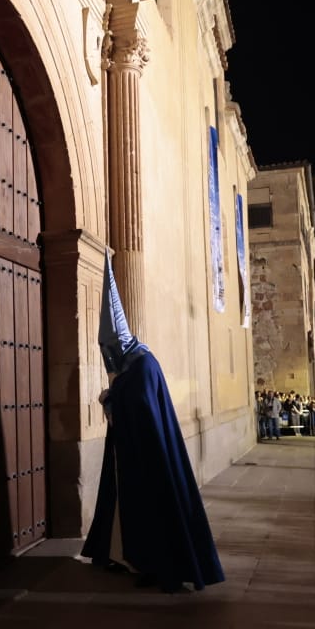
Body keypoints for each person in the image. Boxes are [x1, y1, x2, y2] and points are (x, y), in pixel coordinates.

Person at [82, 251, 225, 591]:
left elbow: (142, 409)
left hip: (148, 454)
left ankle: (154, 563)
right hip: (128, 451)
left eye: (110, 349)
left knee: (151, 509)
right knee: (122, 504)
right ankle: (120, 555)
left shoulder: (143, 365)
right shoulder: (132, 366)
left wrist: (111, 399)